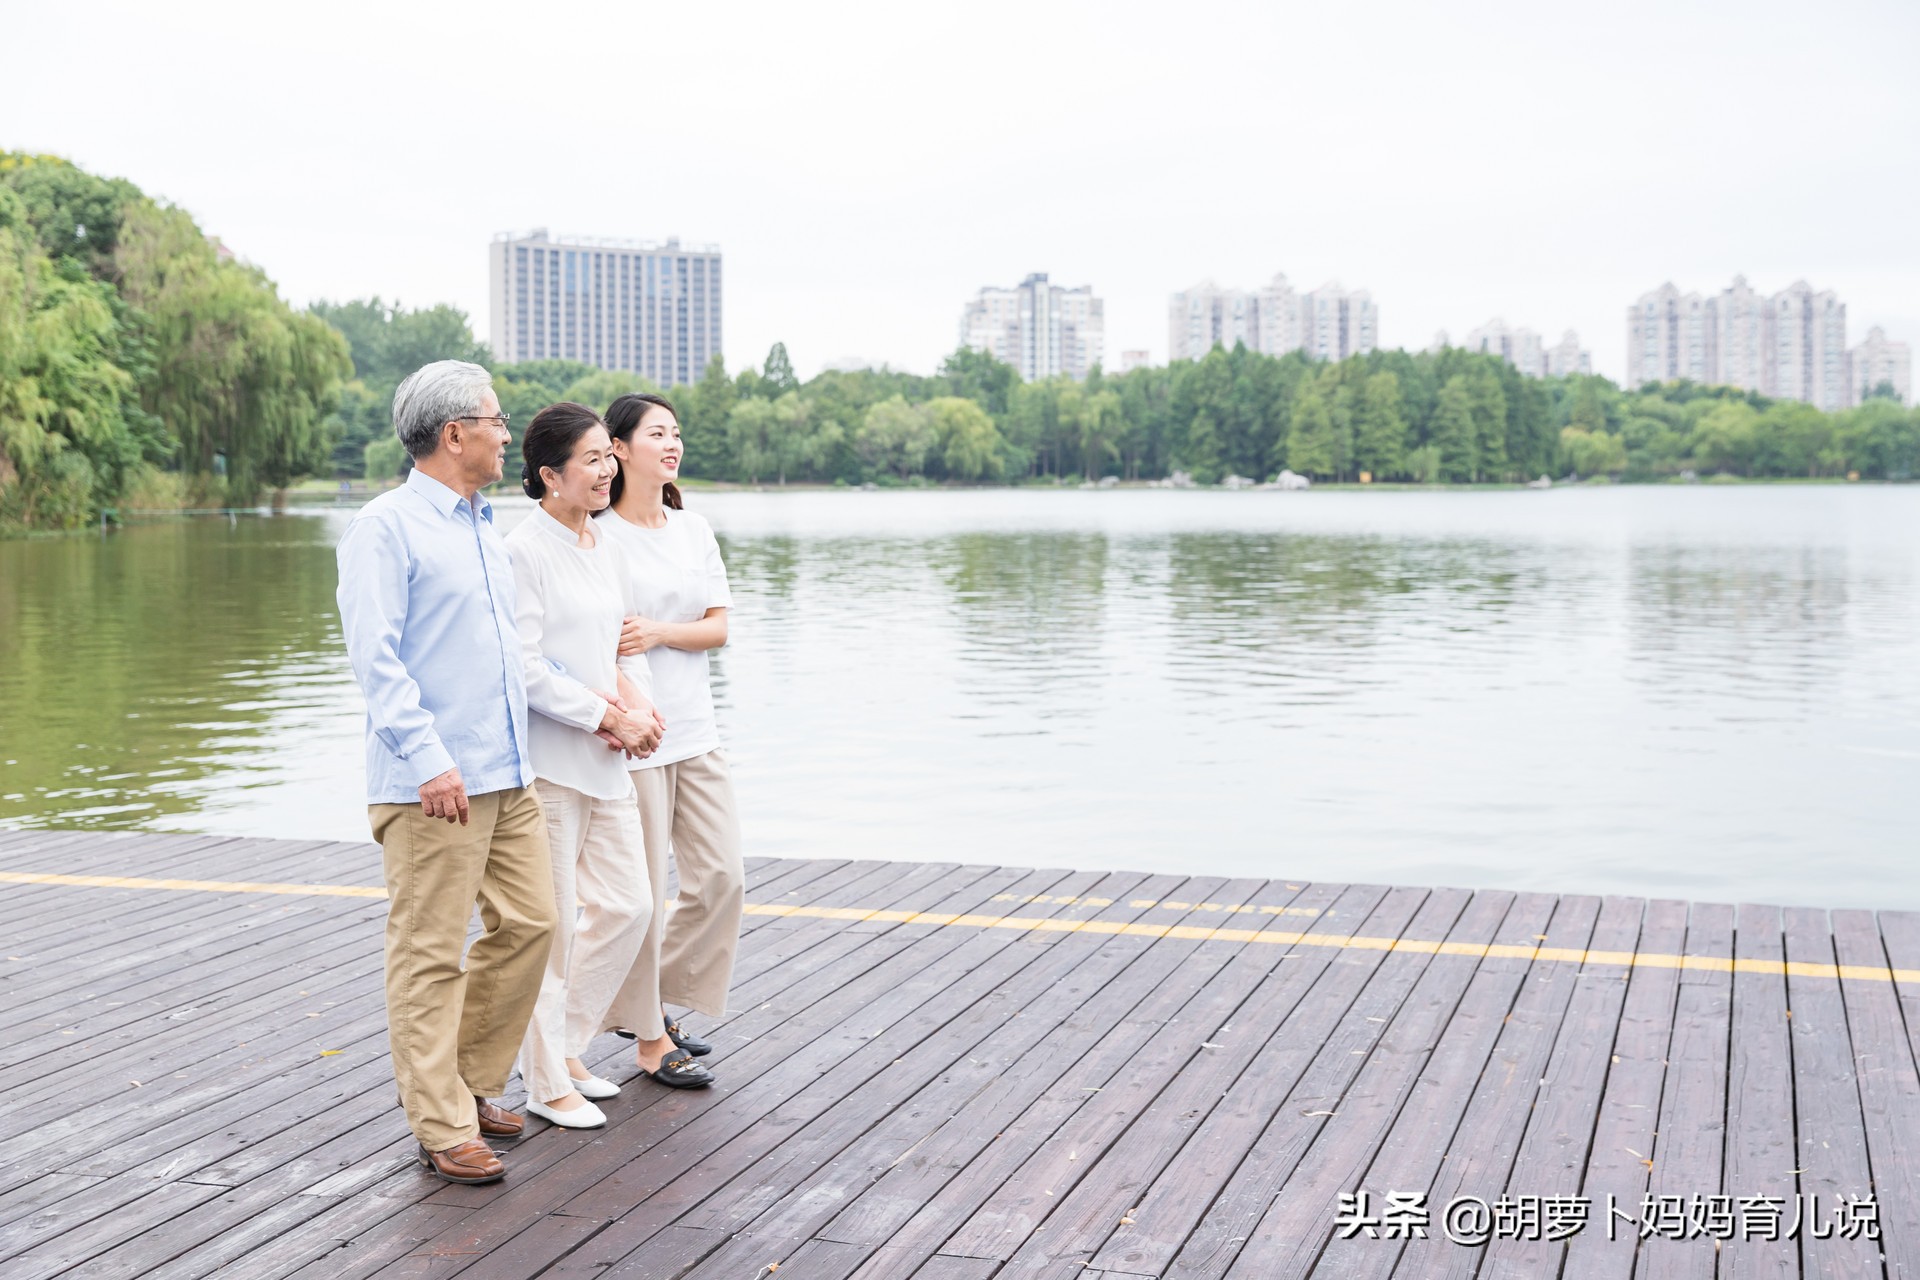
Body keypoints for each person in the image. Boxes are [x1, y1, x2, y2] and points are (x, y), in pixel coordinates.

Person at [335, 360, 555, 1186]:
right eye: (497, 422)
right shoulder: (385, 528)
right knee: (430, 953)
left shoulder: (481, 525)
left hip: (507, 773)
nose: (508, 434)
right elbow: (375, 657)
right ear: (454, 432)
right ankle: (442, 1121)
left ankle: (471, 1083)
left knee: (533, 924)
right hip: (433, 782)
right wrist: (427, 759)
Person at [505, 402, 667, 1128]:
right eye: (592, 460)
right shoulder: (523, 551)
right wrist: (606, 716)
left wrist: (638, 705)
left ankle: (565, 1047)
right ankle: (546, 1082)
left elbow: (616, 646)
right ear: (549, 475)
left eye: (609, 455)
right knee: (552, 929)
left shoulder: (603, 543)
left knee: (630, 905)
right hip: (553, 762)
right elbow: (526, 669)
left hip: (608, 759)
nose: (607, 470)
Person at [595, 392, 745, 1089]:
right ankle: (650, 1039)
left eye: (677, 433)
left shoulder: (693, 527)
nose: (672, 443)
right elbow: (599, 639)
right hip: (641, 738)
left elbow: (718, 626)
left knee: (720, 878)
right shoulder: (598, 536)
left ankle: (645, 1002)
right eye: (657, 433)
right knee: (645, 894)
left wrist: (656, 631)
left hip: (699, 730)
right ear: (619, 448)